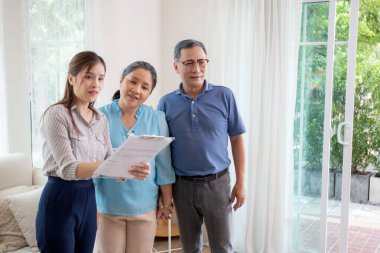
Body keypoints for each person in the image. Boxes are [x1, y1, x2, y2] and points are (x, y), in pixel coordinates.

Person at [35, 51, 150, 253]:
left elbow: (109, 158)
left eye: (100, 78)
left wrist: (131, 168)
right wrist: (116, 164)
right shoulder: (56, 114)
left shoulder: (100, 119)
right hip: (60, 197)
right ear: (71, 78)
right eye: (88, 76)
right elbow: (68, 168)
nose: (95, 83)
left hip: (89, 198)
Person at [158, 39, 246, 253]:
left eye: (201, 62)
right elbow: (162, 151)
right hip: (182, 186)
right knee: (189, 247)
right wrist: (165, 194)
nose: (196, 69)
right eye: (188, 63)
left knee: (222, 247)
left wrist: (241, 181)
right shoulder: (166, 103)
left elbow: (237, 138)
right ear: (176, 66)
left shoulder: (224, 96)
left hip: (218, 184)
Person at [94, 61, 175, 253]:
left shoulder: (157, 118)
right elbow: (91, 164)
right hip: (107, 207)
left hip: (145, 207)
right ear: (121, 80)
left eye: (145, 87)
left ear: (149, 93)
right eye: (132, 81)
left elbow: (164, 165)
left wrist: (167, 202)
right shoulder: (98, 117)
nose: (136, 90)